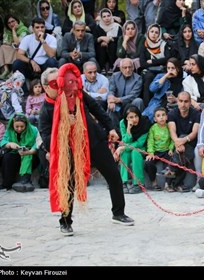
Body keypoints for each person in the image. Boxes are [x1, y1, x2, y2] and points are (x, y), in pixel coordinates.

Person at [39, 65, 135, 236]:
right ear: (46, 87)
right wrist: (64, 126)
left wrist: (111, 129)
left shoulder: (78, 94)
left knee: (113, 174)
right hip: (68, 150)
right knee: (68, 184)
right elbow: (46, 137)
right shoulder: (46, 109)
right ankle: (65, 221)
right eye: (56, 84)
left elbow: (98, 110)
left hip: (93, 141)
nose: (63, 87)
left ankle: (118, 213)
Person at [167, 91, 200, 192]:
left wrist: (182, 140)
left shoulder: (196, 114)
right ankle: (176, 183)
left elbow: (194, 132)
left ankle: (171, 173)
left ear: (190, 102)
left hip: (191, 143)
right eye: (180, 101)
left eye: (186, 101)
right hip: (177, 144)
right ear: (177, 101)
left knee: (183, 143)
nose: (183, 104)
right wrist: (178, 142)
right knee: (181, 153)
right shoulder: (172, 113)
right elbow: (172, 131)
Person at [115, 105, 151, 194]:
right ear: (126, 118)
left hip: (141, 148)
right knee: (124, 153)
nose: (134, 119)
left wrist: (123, 147)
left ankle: (138, 184)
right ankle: (124, 182)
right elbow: (125, 140)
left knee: (135, 152)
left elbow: (140, 143)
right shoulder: (122, 123)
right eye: (131, 117)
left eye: (136, 116)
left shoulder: (145, 123)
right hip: (128, 147)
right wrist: (128, 129)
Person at [0, 113, 38, 192]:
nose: (19, 129)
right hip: (16, 153)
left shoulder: (33, 130)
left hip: (31, 154)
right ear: (13, 124)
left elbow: (37, 143)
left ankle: (25, 180)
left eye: (22, 126)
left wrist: (30, 151)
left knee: (28, 157)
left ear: (26, 125)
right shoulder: (9, 130)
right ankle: (7, 183)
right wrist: (10, 144)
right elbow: (3, 141)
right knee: (8, 157)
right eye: (17, 126)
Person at [107, 58, 144, 132]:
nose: (127, 70)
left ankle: (136, 130)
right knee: (111, 106)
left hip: (130, 104)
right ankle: (116, 133)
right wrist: (111, 100)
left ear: (133, 68)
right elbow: (111, 90)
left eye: (130, 67)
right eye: (125, 67)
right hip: (118, 104)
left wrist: (119, 99)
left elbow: (134, 95)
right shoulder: (115, 76)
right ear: (120, 68)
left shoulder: (138, 78)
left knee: (138, 101)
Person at [144, 107, 174, 192]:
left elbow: (173, 139)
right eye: (158, 116)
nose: (161, 117)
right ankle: (154, 182)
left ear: (167, 117)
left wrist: (171, 149)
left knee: (170, 164)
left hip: (166, 150)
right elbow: (150, 141)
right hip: (156, 151)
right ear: (155, 119)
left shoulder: (169, 127)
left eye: (163, 115)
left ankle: (167, 184)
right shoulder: (153, 128)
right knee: (148, 163)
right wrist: (151, 153)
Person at [0, 15, 29, 80]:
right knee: (2, 47)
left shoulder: (23, 29)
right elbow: (5, 42)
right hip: (13, 47)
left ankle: (13, 71)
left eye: (13, 21)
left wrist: (13, 31)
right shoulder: (7, 30)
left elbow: (18, 44)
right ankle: (6, 70)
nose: (11, 24)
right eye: (9, 23)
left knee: (16, 48)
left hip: (24, 51)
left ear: (17, 21)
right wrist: (12, 43)